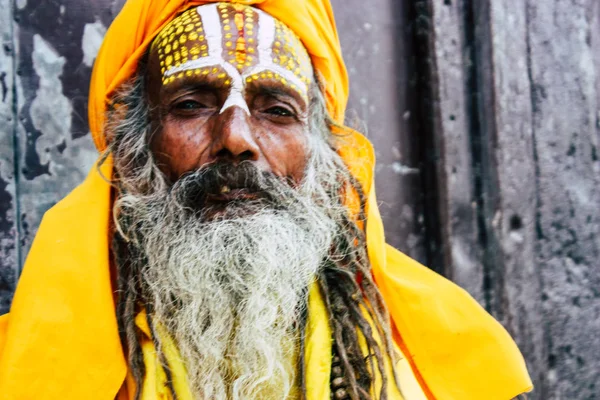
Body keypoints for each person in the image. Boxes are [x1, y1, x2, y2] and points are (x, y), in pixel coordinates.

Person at [0, 1, 532, 399]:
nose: (237, 138)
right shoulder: (25, 365)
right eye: (192, 104)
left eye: (276, 111)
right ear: (135, 146)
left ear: (322, 154)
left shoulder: (438, 362)